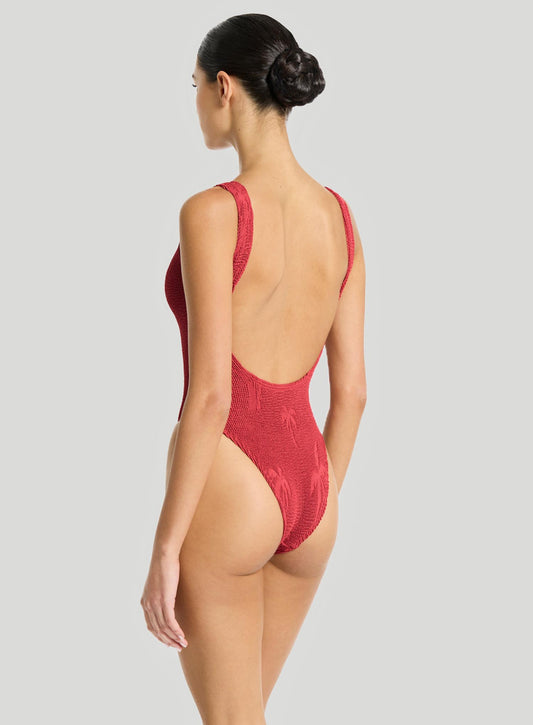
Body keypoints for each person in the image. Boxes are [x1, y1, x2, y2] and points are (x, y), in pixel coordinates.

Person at [141, 12, 367, 724]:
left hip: (231, 481)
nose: (197, 105)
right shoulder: (340, 217)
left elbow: (210, 395)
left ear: (225, 87)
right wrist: (313, 507)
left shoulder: (212, 213)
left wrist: (165, 548)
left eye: (195, 87)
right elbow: (353, 392)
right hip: (312, 488)